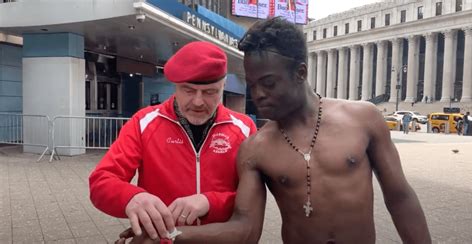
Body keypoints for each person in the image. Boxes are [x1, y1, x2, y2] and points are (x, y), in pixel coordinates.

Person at [121, 17, 431, 244]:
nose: (258, 94)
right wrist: (167, 234)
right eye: (252, 85)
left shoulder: (363, 118)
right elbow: (246, 229)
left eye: (268, 83)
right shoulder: (256, 147)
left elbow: (400, 197)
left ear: (300, 73)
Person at [89, 41, 257, 241]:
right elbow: (102, 181)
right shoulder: (143, 123)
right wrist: (132, 198)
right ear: (175, 86)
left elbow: (252, 199)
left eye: (210, 92)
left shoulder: (245, 129)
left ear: (223, 86)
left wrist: (210, 202)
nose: (197, 101)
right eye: (188, 90)